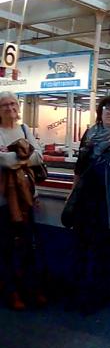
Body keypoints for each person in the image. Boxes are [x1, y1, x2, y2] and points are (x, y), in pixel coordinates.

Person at [63, 95, 110, 315]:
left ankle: (98, 295)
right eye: (106, 108)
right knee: (80, 247)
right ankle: (78, 293)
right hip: (85, 200)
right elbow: (79, 167)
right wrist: (72, 192)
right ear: (100, 112)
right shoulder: (89, 135)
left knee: (104, 250)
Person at [0, 92, 45, 311]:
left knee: (28, 246)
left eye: (13, 104)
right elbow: (3, 161)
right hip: (2, 201)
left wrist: (13, 156)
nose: (10, 108)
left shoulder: (25, 129)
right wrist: (25, 155)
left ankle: (30, 288)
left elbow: (39, 157)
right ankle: (11, 292)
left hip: (25, 199)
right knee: (5, 248)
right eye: (4, 105)